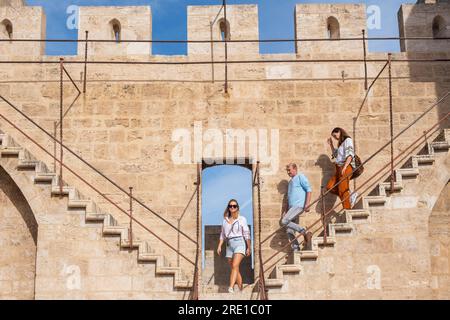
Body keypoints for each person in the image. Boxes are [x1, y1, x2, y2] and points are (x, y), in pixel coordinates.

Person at [217, 199, 251, 293]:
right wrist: (219, 246)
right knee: (234, 268)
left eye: (234, 206)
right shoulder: (225, 220)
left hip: (240, 242)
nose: (232, 207)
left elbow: (246, 233)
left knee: (235, 265)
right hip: (229, 245)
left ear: (237, 208)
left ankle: (231, 287)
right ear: (228, 207)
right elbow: (222, 234)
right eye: (230, 206)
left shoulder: (242, 219)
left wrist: (249, 247)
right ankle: (241, 289)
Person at [281, 163, 313, 251]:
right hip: (291, 208)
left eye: (289, 170)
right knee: (289, 231)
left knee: (284, 221)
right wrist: (285, 211)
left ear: (295, 169)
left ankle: (304, 232)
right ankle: (296, 249)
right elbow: (288, 198)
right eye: (287, 171)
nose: (288, 172)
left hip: (298, 205)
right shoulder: (290, 182)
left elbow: (309, 189)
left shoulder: (300, 177)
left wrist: (307, 204)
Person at [326, 127, 358, 209]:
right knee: (330, 187)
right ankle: (350, 195)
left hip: (346, 166)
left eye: (335, 135)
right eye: (333, 136)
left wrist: (345, 167)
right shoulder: (341, 144)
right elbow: (337, 155)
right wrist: (331, 145)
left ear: (339, 132)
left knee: (342, 188)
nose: (335, 137)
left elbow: (350, 155)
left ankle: (347, 209)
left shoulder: (348, 140)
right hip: (338, 167)